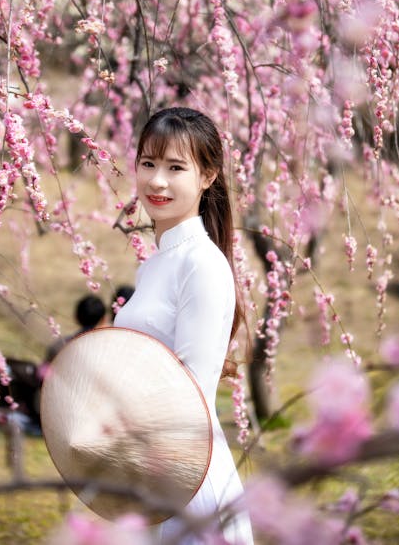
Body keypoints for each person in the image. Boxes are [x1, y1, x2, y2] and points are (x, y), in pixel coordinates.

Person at [114, 107, 253, 544]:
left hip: (189, 482)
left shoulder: (203, 265)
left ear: (208, 176)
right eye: (148, 163)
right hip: (149, 469)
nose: (157, 181)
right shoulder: (157, 263)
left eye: (176, 168)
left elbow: (190, 391)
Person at [45, 293, 107, 363]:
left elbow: (44, 370)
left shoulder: (59, 346)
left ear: (76, 316)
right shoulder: (109, 348)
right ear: (103, 320)